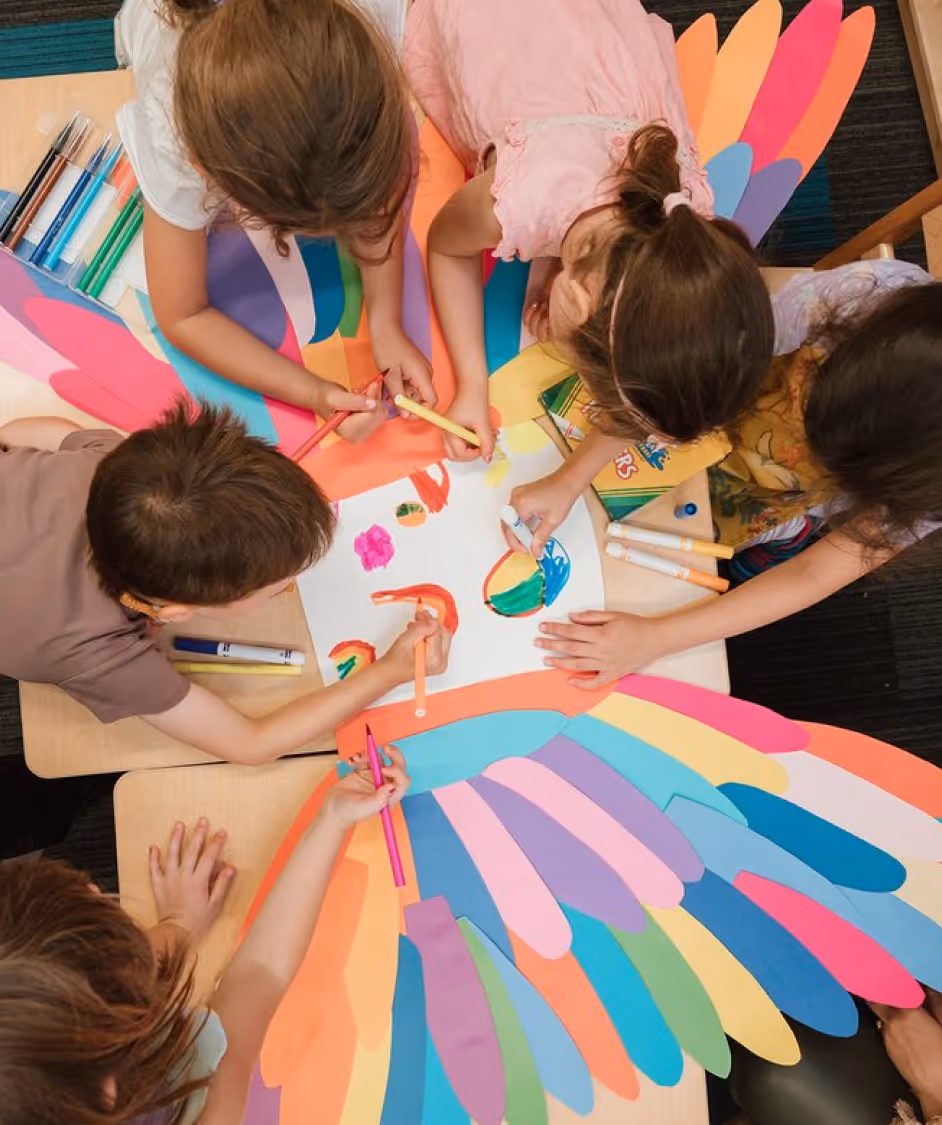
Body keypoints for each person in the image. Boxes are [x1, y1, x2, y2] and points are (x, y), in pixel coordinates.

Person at [402, 0, 774, 464]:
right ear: (575, 299)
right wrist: (473, 382)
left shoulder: (683, 216)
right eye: (571, 353)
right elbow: (445, 245)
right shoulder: (516, 201)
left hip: (590, 42)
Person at [531, 268, 942, 686]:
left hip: (760, 505)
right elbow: (680, 367)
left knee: (719, 572)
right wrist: (570, 477)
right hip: (692, 401)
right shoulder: (862, 299)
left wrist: (657, 637)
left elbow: (813, 574)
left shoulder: (930, 488)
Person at [0, 402, 450, 762]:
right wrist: (390, 671)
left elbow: (23, 432)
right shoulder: (99, 654)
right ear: (175, 611)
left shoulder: (108, 467)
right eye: (274, 586)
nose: (287, 586)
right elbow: (251, 745)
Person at [0, 747, 411, 1125]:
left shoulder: (63, 1043)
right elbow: (259, 977)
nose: (98, 890)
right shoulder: (196, 1108)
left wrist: (178, 925)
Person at [115, 0, 435, 438]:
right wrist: (314, 393)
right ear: (205, 170)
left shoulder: (364, 27)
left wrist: (385, 320)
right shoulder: (171, 125)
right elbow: (182, 314)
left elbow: (383, 165)